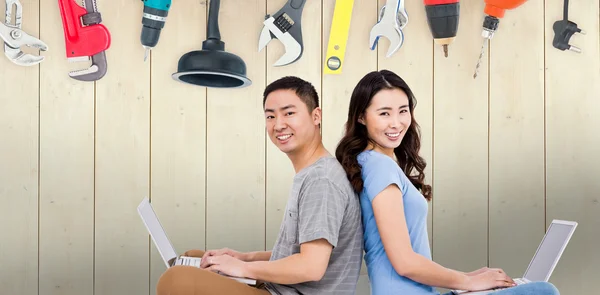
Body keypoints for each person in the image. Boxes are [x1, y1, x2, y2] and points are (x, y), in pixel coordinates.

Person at [335, 70, 560, 295]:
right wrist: (468, 282)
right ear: (361, 117)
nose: (396, 123)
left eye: (403, 111)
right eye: (384, 113)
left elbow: (409, 256)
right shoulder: (380, 167)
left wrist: (473, 277)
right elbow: (404, 262)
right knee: (542, 291)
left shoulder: (372, 163)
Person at [156, 76, 364, 295]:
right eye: (270, 116)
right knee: (195, 257)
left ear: (316, 116)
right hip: (280, 288)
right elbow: (295, 252)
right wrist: (244, 257)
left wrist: (243, 268)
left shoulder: (322, 181)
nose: (279, 124)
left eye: (289, 113)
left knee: (176, 279)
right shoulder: (312, 173)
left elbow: (311, 266)